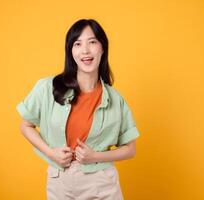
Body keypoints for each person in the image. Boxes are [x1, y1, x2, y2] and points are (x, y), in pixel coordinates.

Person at [16, 18, 140, 200]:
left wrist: (95, 156)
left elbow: (130, 149)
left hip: (102, 184)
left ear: (102, 47)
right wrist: (51, 153)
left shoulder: (116, 100)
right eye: (77, 43)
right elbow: (25, 125)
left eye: (92, 42)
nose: (85, 50)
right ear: (71, 51)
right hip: (60, 183)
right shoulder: (47, 88)